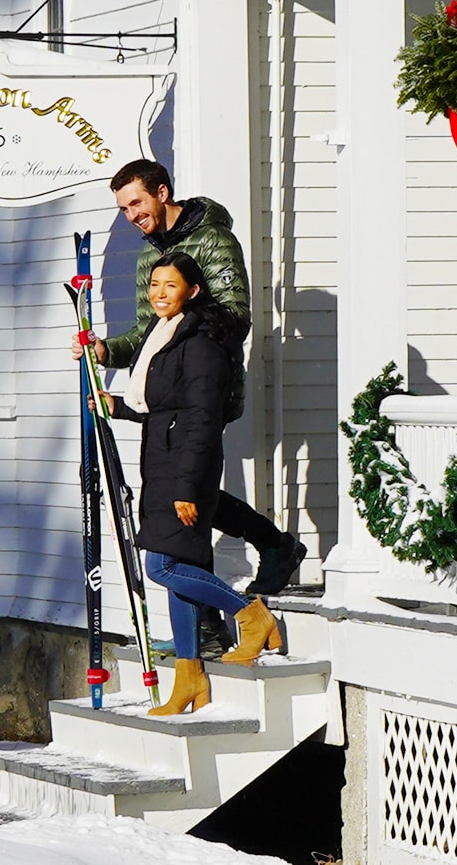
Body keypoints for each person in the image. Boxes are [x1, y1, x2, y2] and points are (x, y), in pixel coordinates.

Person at [75, 159, 306, 597]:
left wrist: (183, 324)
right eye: (124, 209)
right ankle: (258, 562)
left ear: (162, 193)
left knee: (186, 492)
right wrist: (108, 349)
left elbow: (235, 317)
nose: (132, 216)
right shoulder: (149, 254)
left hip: (202, 385)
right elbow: (148, 334)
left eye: (137, 203)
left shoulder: (214, 241)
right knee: (185, 496)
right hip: (164, 392)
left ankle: (266, 557)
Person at [107, 251, 280, 716]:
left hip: (185, 469)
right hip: (163, 463)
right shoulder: (164, 335)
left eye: (170, 286)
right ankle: (190, 680)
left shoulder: (201, 342)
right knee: (177, 579)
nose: (159, 294)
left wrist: (186, 487)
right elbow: (164, 406)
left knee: (161, 566)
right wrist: (116, 406)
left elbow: (202, 418)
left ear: (193, 290)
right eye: (155, 285)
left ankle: (251, 613)